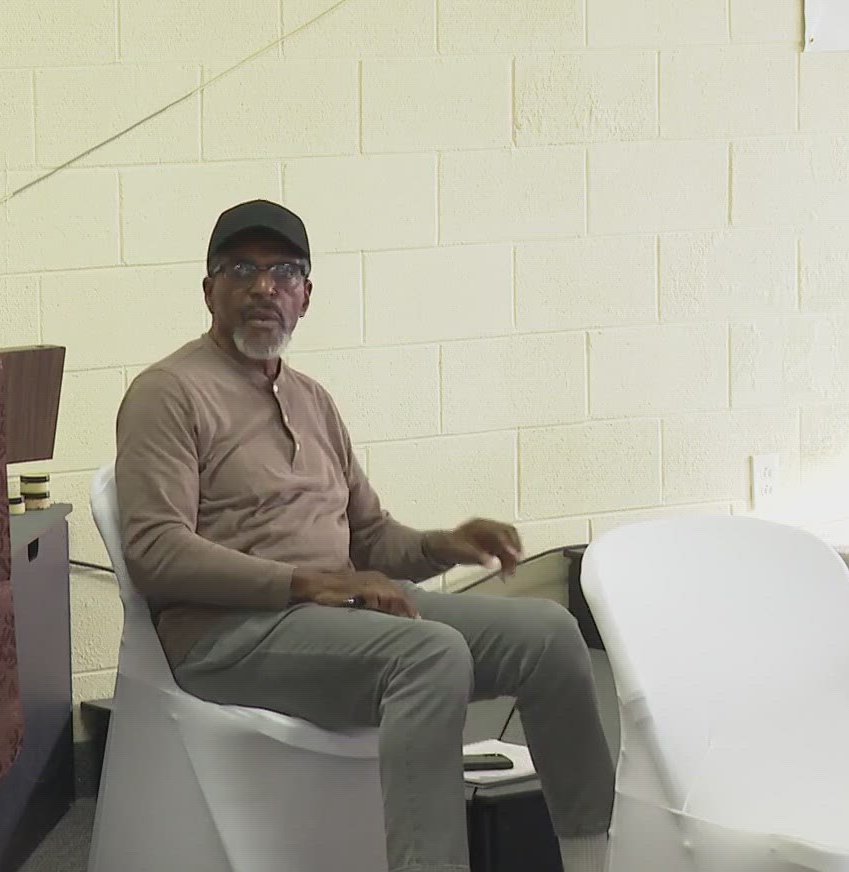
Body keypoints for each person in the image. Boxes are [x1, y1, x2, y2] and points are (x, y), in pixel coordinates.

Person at [113, 199, 616, 872]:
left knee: (550, 635)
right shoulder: (167, 393)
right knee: (429, 654)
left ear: (306, 297)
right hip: (228, 633)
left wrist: (442, 544)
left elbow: (371, 541)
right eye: (242, 269)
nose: (265, 287)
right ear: (209, 291)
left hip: (333, 617)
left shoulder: (313, 400)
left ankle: (593, 858)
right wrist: (305, 582)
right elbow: (155, 551)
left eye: (285, 272)